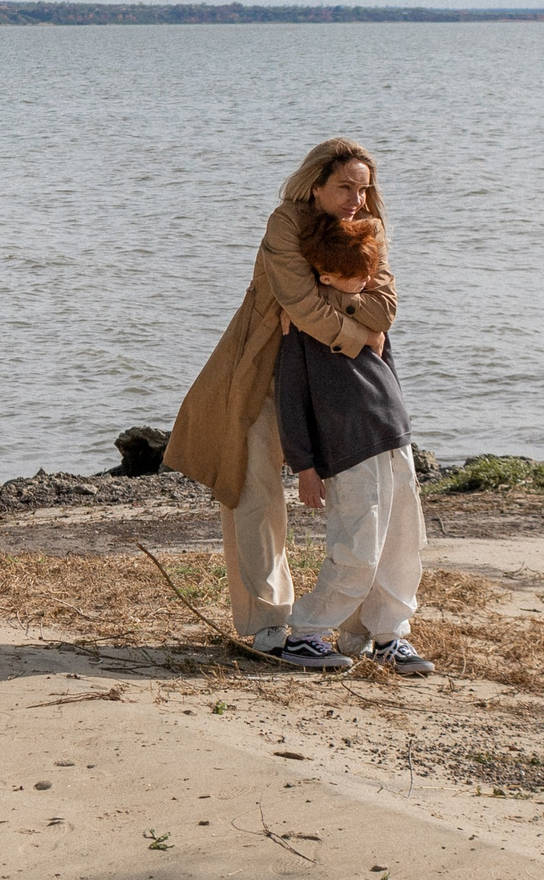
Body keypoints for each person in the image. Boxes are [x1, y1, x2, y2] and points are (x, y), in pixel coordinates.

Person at [166, 139, 396, 655]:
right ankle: (268, 625)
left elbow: (385, 307)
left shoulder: (371, 229)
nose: (356, 199)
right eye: (345, 187)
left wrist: (355, 308)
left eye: (364, 188)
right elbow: (300, 302)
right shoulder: (285, 225)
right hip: (262, 370)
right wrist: (361, 330)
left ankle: (355, 627)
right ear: (316, 186)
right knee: (255, 492)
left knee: (358, 499)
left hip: (340, 382)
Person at [272, 211, 432, 676]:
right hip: (345, 451)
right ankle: (305, 633)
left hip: (392, 438)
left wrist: (403, 427)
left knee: (403, 543)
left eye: (369, 271)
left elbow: (387, 373)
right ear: (324, 275)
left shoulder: (367, 310)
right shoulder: (300, 328)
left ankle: (389, 635)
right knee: (357, 548)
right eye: (356, 275)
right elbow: (291, 400)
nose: (367, 281)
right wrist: (304, 465)